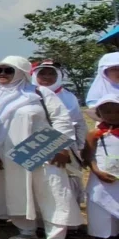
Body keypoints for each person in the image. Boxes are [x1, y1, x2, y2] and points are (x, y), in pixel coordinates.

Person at [0, 56, 82, 239]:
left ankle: (55, 237)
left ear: (21, 72)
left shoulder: (39, 93)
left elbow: (61, 119)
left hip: (44, 149)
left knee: (52, 190)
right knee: (16, 190)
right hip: (8, 154)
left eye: (8, 70)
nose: (2, 74)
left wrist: (62, 147)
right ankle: (26, 229)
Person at [33, 62, 87, 205]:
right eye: (42, 73)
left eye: (51, 74)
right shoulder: (28, 95)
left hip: (67, 145)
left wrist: (81, 147)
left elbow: (79, 123)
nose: (47, 77)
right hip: (36, 144)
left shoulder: (69, 97)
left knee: (69, 178)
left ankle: (71, 218)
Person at [83, 96, 119, 239]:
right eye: (107, 111)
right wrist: (96, 171)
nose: (112, 115)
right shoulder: (95, 134)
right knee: (101, 207)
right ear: (99, 113)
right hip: (101, 177)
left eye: (116, 112)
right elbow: (88, 156)